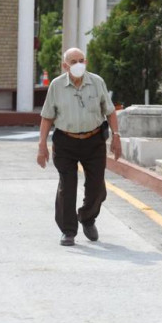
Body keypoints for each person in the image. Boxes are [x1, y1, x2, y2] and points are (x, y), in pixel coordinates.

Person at [37, 47, 122, 246]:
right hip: (65, 141)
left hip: (94, 140)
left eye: (81, 60)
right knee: (67, 186)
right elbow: (47, 116)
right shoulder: (56, 86)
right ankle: (68, 230)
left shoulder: (97, 82)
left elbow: (109, 111)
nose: (78, 65)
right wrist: (42, 145)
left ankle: (87, 217)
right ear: (64, 65)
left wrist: (116, 136)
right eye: (73, 61)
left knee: (97, 188)